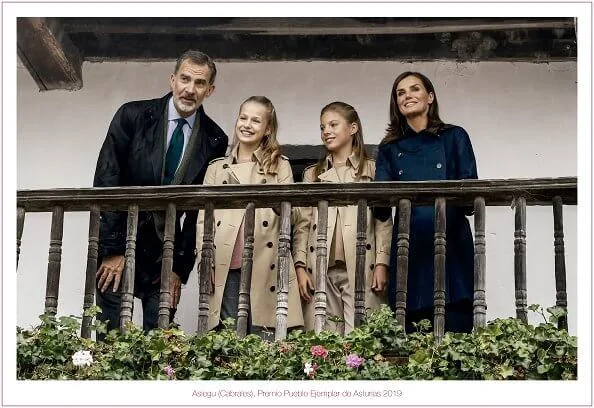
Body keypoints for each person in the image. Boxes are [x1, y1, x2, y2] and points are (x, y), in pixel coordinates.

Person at [93, 50, 228, 336]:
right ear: (172, 79)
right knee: (110, 338)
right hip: (122, 241)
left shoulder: (215, 138)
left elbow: (198, 211)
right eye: (185, 79)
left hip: (165, 254)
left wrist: (180, 268)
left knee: (160, 342)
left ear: (210, 90)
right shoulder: (132, 115)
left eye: (200, 83)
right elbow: (107, 179)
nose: (190, 89)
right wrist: (114, 250)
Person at [374, 71, 478, 333]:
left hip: (451, 242)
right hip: (410, 246)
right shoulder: (389, 148)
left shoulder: (456, 136)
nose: (407, 95)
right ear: (396, 103)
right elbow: (381, 205)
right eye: (401, 92)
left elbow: (469, 194)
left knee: (456, 328)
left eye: (415, 89)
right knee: (410, 331)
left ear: (430, 97)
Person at [196, 96, 306, 340]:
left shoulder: (280, 165)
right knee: (227, 340)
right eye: (243, 117)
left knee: (263, 340)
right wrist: (206, 258)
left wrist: (278, 199)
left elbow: (297, 214)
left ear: (267, 128)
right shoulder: (217, 168)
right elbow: (204, 219)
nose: (247, 124)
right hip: (227, 262)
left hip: (265, 263)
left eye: (256, 120)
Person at [296, 102, 392, 335]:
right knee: (324, 338)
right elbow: (303, 223)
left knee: (358, 335)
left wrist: (382, 263)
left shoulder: (372, 170)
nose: (326, 131)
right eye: (322, 127)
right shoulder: (313, 174)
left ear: (352, 128)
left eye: (333, 124)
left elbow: (383, 222)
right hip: (320, 267)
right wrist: (300, 266)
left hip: (360, 265)